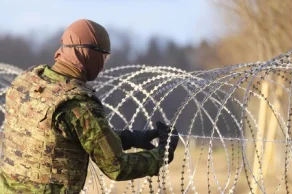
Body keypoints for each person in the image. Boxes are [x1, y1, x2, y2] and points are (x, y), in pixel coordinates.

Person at [0, 19, 179, 194]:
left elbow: (65, 133)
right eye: (104, 57)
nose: (102, 65)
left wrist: (128, 138)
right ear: (89, 55)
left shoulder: (26, 81)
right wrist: (162, 155)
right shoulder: (77, 104)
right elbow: (117, 166)